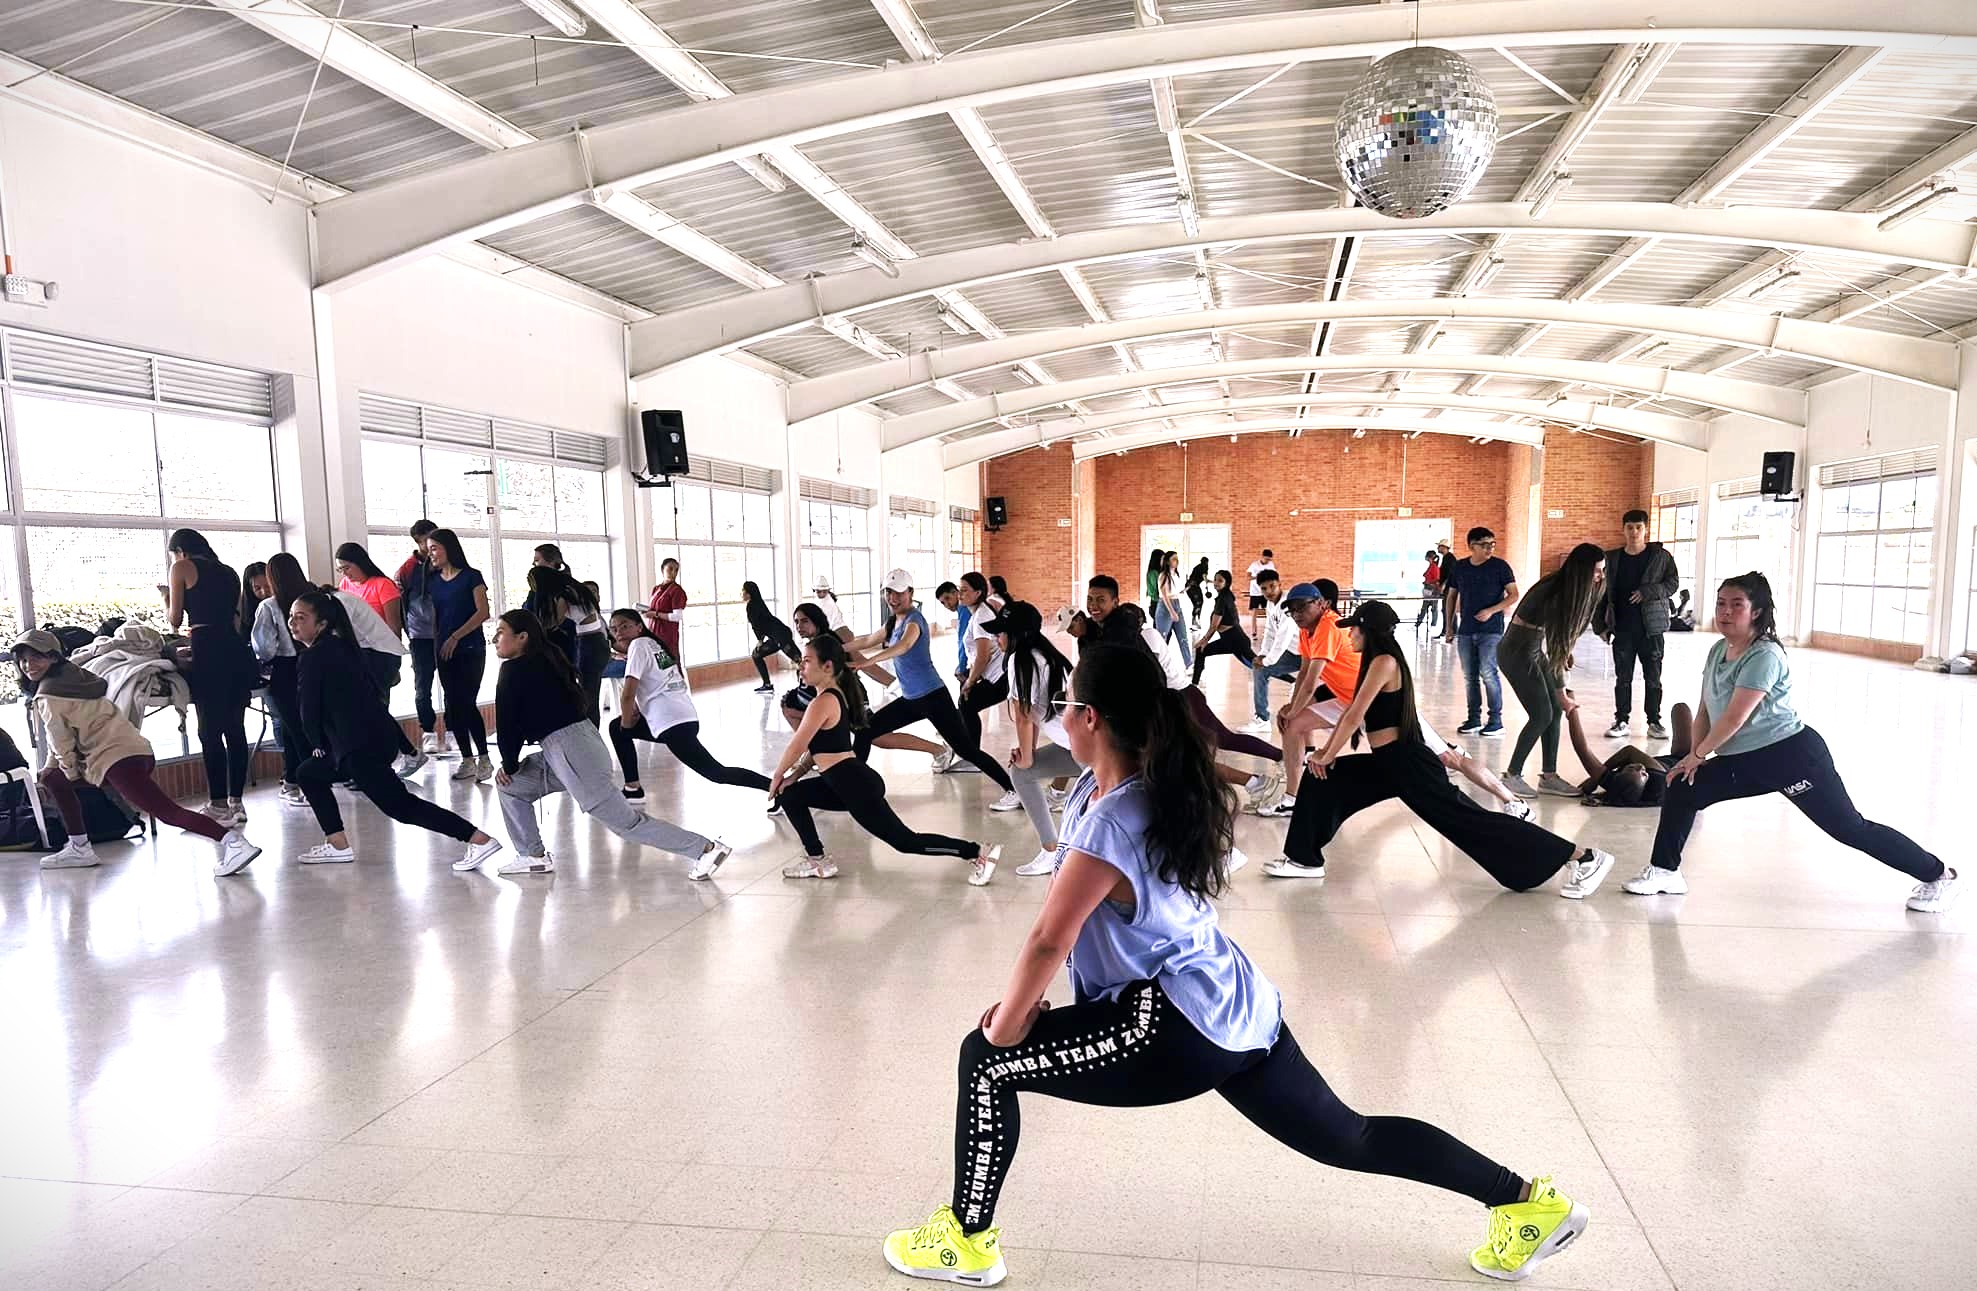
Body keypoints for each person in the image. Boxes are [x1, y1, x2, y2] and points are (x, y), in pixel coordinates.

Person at [881, 640, 1591, 1288]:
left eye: (1065, 705)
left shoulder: (1106, 816)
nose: (1060, 717)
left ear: (1090, 717)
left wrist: (1010, 1021)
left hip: (1171, 1021)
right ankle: (1524, 1203)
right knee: (1349, 1135)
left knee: (985, 1057)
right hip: (1235, 1001)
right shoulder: (1156, 786)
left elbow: (1047, 939)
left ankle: (965, 1243)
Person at [1621, 573, 1957, 912]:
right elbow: (1705, 709)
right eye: (1721, 603)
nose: (1725, 612)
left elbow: (1735, 717)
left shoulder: (1764, 655)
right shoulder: (1719, 649)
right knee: (1683, 785)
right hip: (1744, 759)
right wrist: (1692, 757)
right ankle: (1665, 872)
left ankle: (1938, 875)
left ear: (1756, 611)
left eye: (1737, 604)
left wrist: (1699, 752)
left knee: (1849, 828)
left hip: (1790, 756)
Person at [1261, 601, 1616, 898]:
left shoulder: (1384, 662)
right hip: (1387, 764)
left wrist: (1325, 754)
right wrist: (1325, 757)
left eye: (1354, 629)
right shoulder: (1376, 662)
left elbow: (1354, 716)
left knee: (1468, 821)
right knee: (1324, 781)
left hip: (1407, 764)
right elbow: (1350, 713)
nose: (1349, 634)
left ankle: (1583, 856)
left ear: (1370, 632)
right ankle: (1303, 860)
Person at [491, 610, 732, 880]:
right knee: (511, 787)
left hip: (574, 754)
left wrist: (509, 764)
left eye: (500, 632)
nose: (494, 639)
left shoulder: (513, 669)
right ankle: (532, 856)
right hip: (574, 746)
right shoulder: (548, 657)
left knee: (628, 824)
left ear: (522, 637)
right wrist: (511, 770)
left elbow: (507, 725)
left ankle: (705, 849)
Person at [15, 629, 261, 876]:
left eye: (37, 657)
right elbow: (59, 734)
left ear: (54, 657)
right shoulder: (76, 677)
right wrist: (54, 770)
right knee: (51, 777)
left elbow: (60, 742)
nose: (29, 665)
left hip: (115, 759)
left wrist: (69, 773)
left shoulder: (48, 695)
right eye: (23, 660)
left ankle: (234, 842)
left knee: (168, 813)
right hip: (134, 751)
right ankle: (79, 846)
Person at [287, 590, 502, 872]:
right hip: (369, 741)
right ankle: (337, 844)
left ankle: (478, 839)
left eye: (300, 618)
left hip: (359, 747)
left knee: (401, 807)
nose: (293, 623)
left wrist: (315, 744)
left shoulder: (314, 657)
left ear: (323, 624)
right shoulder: (342, 647)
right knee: (309, 773)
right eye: (291, 617)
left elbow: (308, 710)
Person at [770, 632, 1000, 883]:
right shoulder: (828, 696)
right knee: (791, 795)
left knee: (906, 842)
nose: (800, 666)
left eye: (806, 661)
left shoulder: (823, 702)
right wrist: (794, 776)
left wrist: (777, 776)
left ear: (827, 667)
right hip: (840, 781)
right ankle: (818, 861)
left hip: (853, 784)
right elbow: (817, 748)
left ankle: (977, 853)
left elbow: (797, 745)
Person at [847, 571, 1016, 791]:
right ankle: (851, 788)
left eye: (899, 593)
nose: (893, 598)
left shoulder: (914, 620)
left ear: (910, 593)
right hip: (910, 700)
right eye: (888, 593)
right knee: (865, 731)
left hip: (933, 698)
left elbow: (904, 646)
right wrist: (833, 646)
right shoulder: (892, 622)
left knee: (967, 751)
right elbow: (868, 639)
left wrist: (869, 662)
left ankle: (1012, 788)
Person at [606, 609, 773, 799]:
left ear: (639, 626)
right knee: (615, 727)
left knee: (717, 773)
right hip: (682, 718)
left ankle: (778, 787)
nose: (619, 632)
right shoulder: (652, 644)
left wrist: (626, 728)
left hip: (672, 724)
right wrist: (633, 713)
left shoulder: (638, 645)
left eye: (625, 626)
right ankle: (632, 788)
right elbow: (657, 682)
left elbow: (628, 694)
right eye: (614, 629)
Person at [163, 528, 256, 829]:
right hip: (235, 649)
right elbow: (235, 616)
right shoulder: (228, 572)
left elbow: (175, 619)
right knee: (235, 727)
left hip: (208, 650)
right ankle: (236, 803)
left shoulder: (181, 567)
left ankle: (217, 805)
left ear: (180, 551)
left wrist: (166, 597)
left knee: (209, 730)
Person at [1498, 543, 1605, 800]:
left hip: (1533, 649)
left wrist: (1566, 655)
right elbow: (1557, 647)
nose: (1600, 577)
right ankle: (1512, 775)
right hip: (1516, 654)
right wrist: (1562, 691)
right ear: (1580, 572)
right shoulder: (1556, 592)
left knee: (1553, 711)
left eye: (1602, 571)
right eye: (1596, 572)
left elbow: (1560, 644)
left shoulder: (1567, 588)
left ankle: (1549, 776)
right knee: (1542, 714)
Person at [786, 603, 943, 762]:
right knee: (791, 709)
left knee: (878, 737)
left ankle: (937, 749)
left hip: (850, 698)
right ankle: (813, 755)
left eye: (804, 621)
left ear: (816, 621)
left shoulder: (827, 643)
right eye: (797, 622)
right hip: (835, 699)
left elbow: (837, 671)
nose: (799, 626)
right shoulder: (814, 644)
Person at [1259, 580, 1359, 819]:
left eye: (1302, 607)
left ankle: (1454, 758)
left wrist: (1292, 710)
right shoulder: (1306, 631)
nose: (1296, 614)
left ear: (1321, 604)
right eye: (1291, 610)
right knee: (1292, 726)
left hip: (1370, 700)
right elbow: (1303, 673)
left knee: (1437, 752)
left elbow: (1312, 680)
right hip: (1344, 699)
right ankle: (1292, 798)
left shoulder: (1328, 626)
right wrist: (1292, 709)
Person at [1599, 510, 1681, 739]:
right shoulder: (1612, 559)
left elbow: (1672, 583)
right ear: (1623, 529)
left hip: (1652, 628)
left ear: (1645, 529)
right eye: (1630, 527)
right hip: (1623, 628)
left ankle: (1654, 721)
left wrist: (1648, 592)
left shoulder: (1660, 557)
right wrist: (1601, 626)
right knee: (1622, 678)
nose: (1634, 532)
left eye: (1638, 527)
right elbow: (1602, 594)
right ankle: (1621, 720)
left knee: (1653, 677)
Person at [424, 528, 494, 780]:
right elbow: (436, 619)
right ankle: (467, 759)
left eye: (434, 548)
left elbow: (482, 612)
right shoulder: (432, 581)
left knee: (465, 702)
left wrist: (456, 636)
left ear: (448, 548)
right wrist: (438, 645)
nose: (429, 553)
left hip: (470, 648)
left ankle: (484, 758)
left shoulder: (471, 577)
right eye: (428, 548)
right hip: (444, 650)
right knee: (453, 706)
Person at [1442, 526, 1518, 735]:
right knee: (1470, 676)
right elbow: (1451, 597)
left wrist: (1491, 611)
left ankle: (1495, 721)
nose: (1489, 549)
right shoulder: (1460, 567)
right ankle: (1473, 719)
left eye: (1492, 544)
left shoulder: (1500, 567)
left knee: (1488, 673)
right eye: (1484, 545)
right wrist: (1449, 626)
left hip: (1491, 630)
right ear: (1471, 546)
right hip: (1466, 630)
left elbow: (1513, 595)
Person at [1562, 698, 1693, 807]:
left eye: (1631, 768)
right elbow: (1629, 752)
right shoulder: (1658, 782)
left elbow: (1582, 749)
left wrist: (1571, 708)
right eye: (1643, 773)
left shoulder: (1613, 783)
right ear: (1648, 777)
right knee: (1681, 709)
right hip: (1684, 760)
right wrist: (1594, 780)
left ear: (1619, 775)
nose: (1640, 767)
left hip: (1658, 766)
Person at [525, 562, 609, 725]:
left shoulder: (563, 594)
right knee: (591, 690)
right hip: (597, 641)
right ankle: (592, 730)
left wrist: (534, 630)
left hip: (589, 643)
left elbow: (556, 620)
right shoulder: (575, 589)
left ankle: (591, 733)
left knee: (588, 693)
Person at [955, 574, 1012, 784]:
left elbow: (983, 655)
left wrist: (970, 682)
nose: (960, 594)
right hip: (997, 674)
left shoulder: (980, 616)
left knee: (966, 703)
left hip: (1000, 676)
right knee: (966, 705)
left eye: (965, 590)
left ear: (978, 593)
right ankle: (971, 755)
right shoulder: (980, 611)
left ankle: (972, 756)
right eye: (959, 589)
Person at [396, 520, 445, 756]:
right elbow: (399, 604)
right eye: (425, 541)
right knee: (422, 685)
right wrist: (406, 632)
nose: (430, 546)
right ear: (417, 542)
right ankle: (428, 732)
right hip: (420, 636)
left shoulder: (446, 563)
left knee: (452, 683)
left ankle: (455, 730)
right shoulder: (407, 569)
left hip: (447, 633)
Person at [1245, 569, 1300, 733]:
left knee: (1262, 667)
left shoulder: (1288, 603)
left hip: (1308, 654)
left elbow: (1283, 637)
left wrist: (1267, 660)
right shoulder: (1270, 604)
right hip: (1293, 652)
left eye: (1272, 586)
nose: (1268, 591)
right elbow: (1270, 630)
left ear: (1280, 584)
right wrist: (1263, 653)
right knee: (1259, 670)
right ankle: (1262, 719)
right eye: (1264, 588)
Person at [1191, 569, 1255, 685]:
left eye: (1220, 581)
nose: (1216, 583)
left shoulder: (1223, 599)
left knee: (1260, 667)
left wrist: (1204, 640)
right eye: (1215, 580)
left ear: (1227, 583)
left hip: (1237, 641)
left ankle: (1293, 681)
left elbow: (1214, 626)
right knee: (1201, 651)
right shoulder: (1225, 595)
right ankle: (1194, 684)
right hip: (1228, 640)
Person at [335, 541, 404, 639]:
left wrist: (394, 651)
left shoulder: (383, 585)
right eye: (340, 570)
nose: (344, 573)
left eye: (347, 568)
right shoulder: (345, 584)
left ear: (359, 563)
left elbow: (394, 626)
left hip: (381, 645)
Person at [744, 580, 801, 693]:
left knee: (799, 660)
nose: (742, 594)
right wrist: (761, 639)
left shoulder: (751, 606)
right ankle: (767, 684)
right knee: (756, 655)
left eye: (744, 591)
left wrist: (760, 640)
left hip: (781, 636)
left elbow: (756, 625)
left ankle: (808, 685)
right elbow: (762, 624)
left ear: (749, 593)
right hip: (777, 637)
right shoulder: (757, 603)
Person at [1151, 550, 1194, 668]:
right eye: (1174, 559)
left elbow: (1175, 591)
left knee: (1183, 637)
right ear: (1168, 561)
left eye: (1177, 558)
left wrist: (1185, 589)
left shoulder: (1177, 575)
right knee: (1162, 638)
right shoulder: (1163, 575)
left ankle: (1189, 664)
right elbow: (1164, 595)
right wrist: (1171, 612)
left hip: (1176, 604)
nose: (1177, 561)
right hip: (1165, 607)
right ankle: (1157, 665)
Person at [645, 556, 687, 662]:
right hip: (654, 633)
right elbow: (654, 608)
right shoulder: (656, 589)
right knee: (656, 664)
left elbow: (677, 616)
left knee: (667, 665)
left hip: (667, 635)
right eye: (670, 569)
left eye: (676, 570)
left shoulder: (677, 591)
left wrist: (655, 614)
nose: (673, 572)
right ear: (662, 570)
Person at [1245, 547, 1276, 639]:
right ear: (1262, 557)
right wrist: (1258, 577)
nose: (1267, 561)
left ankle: (1269, 632)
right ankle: (1254, 632)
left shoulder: (1271, 565)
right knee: (1255, 612)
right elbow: (1248, 577)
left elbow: (1274, 576)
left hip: (1266, 591)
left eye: (1269, 560)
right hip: (1255, 592)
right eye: (1266, 559)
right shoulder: (1254, 565)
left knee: (1269, 611)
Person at [1415, 547, 1444, 632]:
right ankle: (1419, 623)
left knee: (1433, 608)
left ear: (1429, 557)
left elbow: (1436, 579)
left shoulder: (1434, 567)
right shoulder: (1431, 566)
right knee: (1425, 607)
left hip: (1432, 589)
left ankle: (1432, 625)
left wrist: (1429, 583)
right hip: (1428, 588)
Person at [1185, 556, 1210, 627]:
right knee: (1199, 602)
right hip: (1193, 587)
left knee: (1196, 603)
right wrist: (1212, 582)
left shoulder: (1197, 567)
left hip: (1189, 586)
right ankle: (1196, 620)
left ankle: (1195, 620)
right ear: (1206, 562)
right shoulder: (1204, 567)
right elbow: (1205, 578)